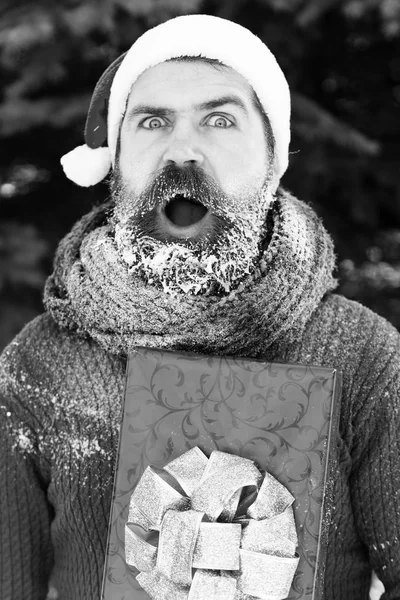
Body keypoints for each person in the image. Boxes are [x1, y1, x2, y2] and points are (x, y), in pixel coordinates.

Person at [0, 13, 399, 600]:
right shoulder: (39, 364)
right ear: (115, 159)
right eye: (153, 122)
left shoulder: (364, 357)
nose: (182, 149)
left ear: (272, 156)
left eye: (220, 119)